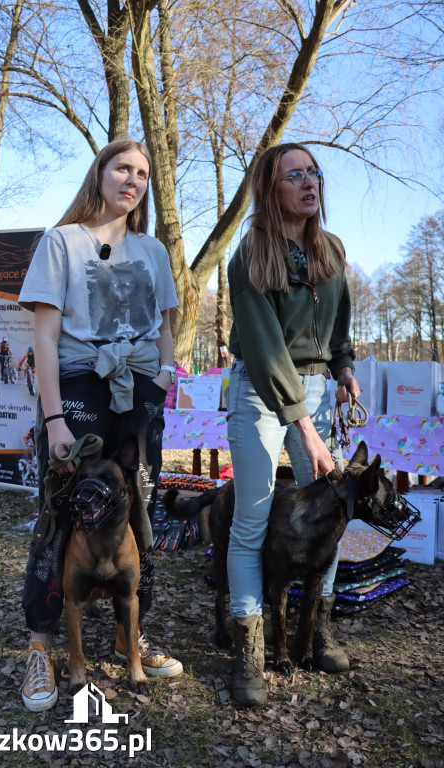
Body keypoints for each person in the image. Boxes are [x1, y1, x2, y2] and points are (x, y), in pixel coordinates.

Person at [18, 137, 182, 713]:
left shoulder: (154, 251)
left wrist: (161, 379)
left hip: (137, 387)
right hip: (80, 383)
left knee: (138, 505)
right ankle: (40, 643)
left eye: (141, 173)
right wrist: (56, 417)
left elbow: (164, 326)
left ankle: (127, 632)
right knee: (63, 506)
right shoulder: (62, 242)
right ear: (100, 174)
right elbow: (43, 332)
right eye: (122, 168)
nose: (132, 180)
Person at [226, 142, 360, 707]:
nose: (309, 183)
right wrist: (304, 427)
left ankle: (314, 634)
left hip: (316, 391)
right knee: (252, 519)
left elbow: (339, 323)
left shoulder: (331, 249)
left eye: (314, 173)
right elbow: (265, 347)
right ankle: (249, 653)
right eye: (294, 175)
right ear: (271, 186)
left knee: (331, 512)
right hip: (260, 388)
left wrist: (345, 367)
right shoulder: (250, 254)